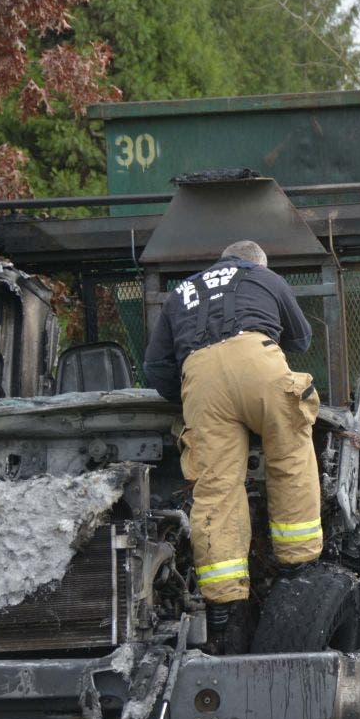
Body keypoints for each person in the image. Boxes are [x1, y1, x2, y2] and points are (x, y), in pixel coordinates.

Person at [144, 240, 321, 655]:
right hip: (257, 360)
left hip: (200, 376)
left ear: (220, 260)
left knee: (215, 488)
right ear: (255, 261)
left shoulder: (182, 292)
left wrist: (188, 397)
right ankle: (298, 565)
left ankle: (224, 605)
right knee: (289, 456)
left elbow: (156, 367)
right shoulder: (264, 276)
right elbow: (302, 337)